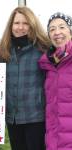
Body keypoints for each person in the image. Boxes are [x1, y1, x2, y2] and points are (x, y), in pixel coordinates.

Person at [0, 6, 51, 150]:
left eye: (25, 23)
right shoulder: (3, 51)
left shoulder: (43, 50)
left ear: (32, 25)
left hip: (36, 117)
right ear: (11, 26)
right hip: (12, 118)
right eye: (17, 23)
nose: (20, 27)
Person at [39, 12, 72, 150]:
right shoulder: (48, 64)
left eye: (62, 27)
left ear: (70, 31)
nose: (57, 32)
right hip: (53, 140)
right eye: (52, 29)